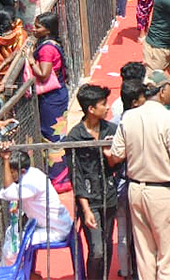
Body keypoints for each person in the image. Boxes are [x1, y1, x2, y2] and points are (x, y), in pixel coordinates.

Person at [108, 70, 170, 280]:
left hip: (135, 189)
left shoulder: (128, 116)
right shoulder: (168, 119)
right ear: (163, 90)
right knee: (169, 254)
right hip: (161, 191)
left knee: (144, 252)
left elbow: (116, 155)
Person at [67, 84, 121, 280]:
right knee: (96, 249)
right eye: (103, 104)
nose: (107, 108)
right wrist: (86, 209)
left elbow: (118, 164)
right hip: (89, 200)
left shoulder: (112, 130)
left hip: (109, 194)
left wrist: (110, 156)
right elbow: (76, 176)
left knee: (106, 243)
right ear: (91, 109)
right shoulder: (74, 137)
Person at [0, 149, 73, 244]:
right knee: (10, 232)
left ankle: (17, 259)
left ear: (22, 171)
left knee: (14, 244)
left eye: (11, 172)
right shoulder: (30, 172)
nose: (9, 175)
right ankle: (22, 259)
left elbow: (8, 192)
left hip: (56, 229)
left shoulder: (32, 181)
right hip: (43, 224)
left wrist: (6, 159)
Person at [24, 10, 68, 142]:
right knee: (58, 132)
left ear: (48, 30)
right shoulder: (51, 43)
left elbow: (43, 75)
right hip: (57, 94)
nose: (34, 29)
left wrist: (31, 59)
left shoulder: (47, 49)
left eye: (38, 27)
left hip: (52, 98)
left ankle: (57, 162)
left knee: (53, 135)